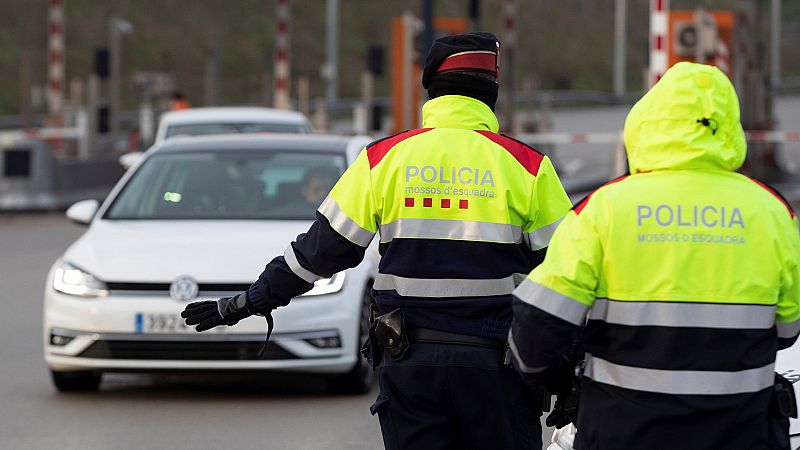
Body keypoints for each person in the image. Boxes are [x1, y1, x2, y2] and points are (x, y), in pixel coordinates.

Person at [181, 32, 571, 449]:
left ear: (432, 88)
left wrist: (248, 302)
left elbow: (317, 254)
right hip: (497, 367)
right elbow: (568, 281)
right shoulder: (529, 167)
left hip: (408, 362)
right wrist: (570, 379)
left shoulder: (382, 160)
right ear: (491, 91)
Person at [508, 61, 800, 449]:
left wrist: (570, 386)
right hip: (738, 432)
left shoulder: (603, 209)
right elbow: (786, 331)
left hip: (622, 430)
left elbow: (535, 337)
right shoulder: (772, 212)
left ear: (645, 123)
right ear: (729, 127)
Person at [269, 166, 340, 218]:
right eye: (317, 189)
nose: (323, 193)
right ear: (305, 190)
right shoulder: (286, 214)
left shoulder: (340, 214)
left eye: (327, 188)